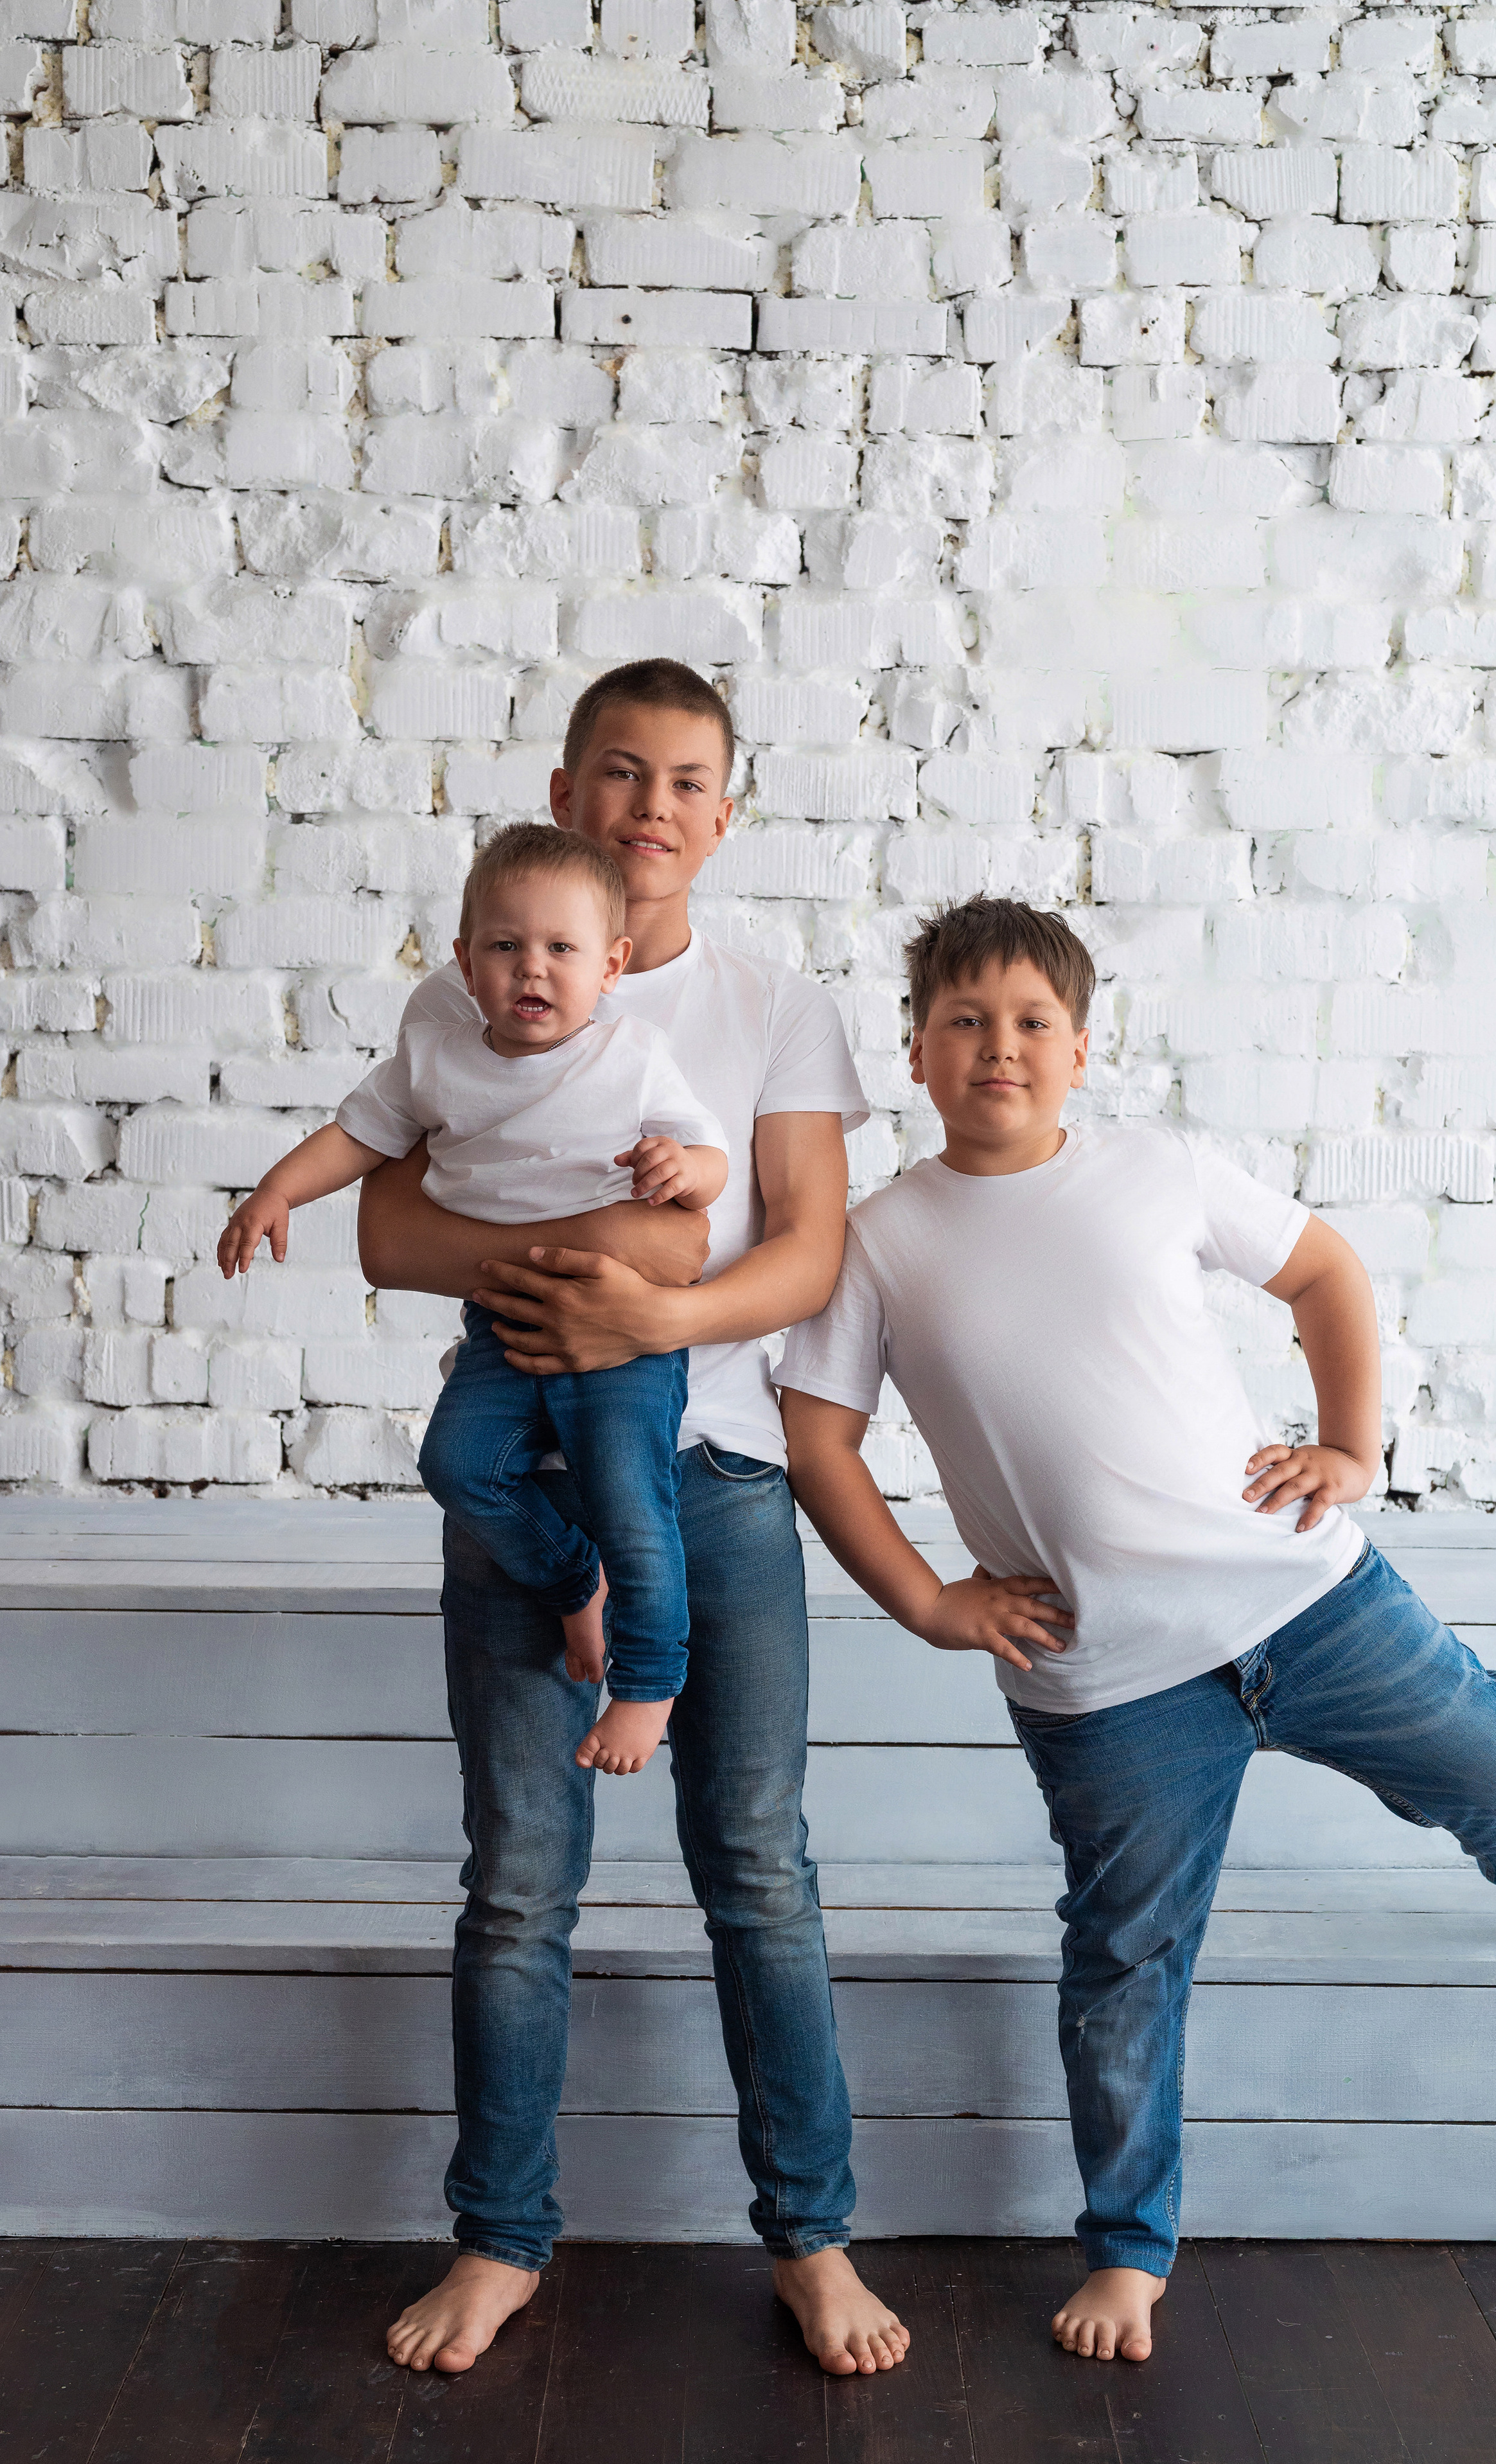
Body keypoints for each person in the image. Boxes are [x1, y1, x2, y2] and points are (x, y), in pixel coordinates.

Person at [777, 893, 1496, 2370]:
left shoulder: (1152, 1170)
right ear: (914, 1050)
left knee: (1485, 1758)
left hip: (1296, 1592)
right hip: (1103, 1679)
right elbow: (817, 1436)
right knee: (1123, 1955)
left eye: (1031, 1022)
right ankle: (1127, 2244)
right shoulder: (881, 1240)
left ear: (1081, 1046)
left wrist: (1346, 1445)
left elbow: (1323, 1275)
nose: (999, 1047)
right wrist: (928, 1599)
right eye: (965, 1021)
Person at [355, 659, 911, 2379]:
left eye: (685, 781)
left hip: (722, 1473)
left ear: (723, 816)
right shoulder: (478, 997)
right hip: (524, 1472)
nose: (649, 806)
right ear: (567, 790)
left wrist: (653, 1317)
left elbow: (809, 1248)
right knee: (520, 1879)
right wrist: (594, 1282)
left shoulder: (771, 1002)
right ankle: (499, 2234)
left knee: (758, 1869)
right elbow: (389, 1234)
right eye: (620, 772)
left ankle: (812, 2238)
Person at [218, 824, 729, 1777]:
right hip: (502, 1325)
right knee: (457, 1463)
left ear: (611, 964)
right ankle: (574, 1582)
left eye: (561, 950)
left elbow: (709, 1168)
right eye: (505, 947)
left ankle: (650, 1685)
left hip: (620, 1335)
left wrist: (681, 1165)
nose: (532, 969)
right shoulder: (436, 1059)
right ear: (464, 961)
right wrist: (278, 1193)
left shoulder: (633, 1054)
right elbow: (355, 1137)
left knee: (633, 1504)